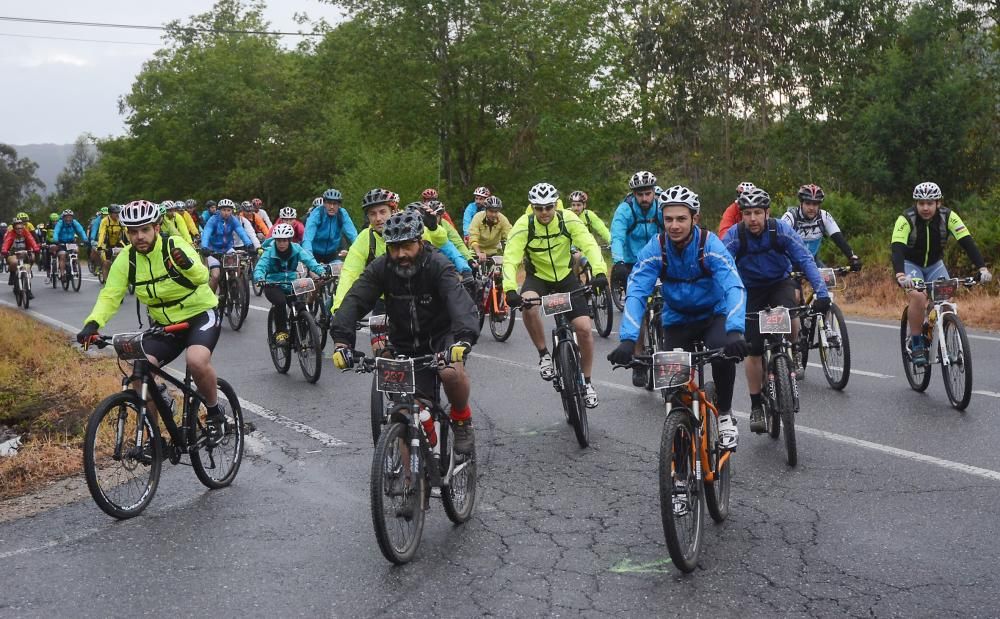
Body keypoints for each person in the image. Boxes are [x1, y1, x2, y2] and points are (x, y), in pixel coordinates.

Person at [607, 186, 747, 449]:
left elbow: (733, 285)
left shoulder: (710, 244)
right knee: (676, 394)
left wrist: (736, 330)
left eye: (681, 219)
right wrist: (628, 339)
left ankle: (726, 414)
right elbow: (637, 292)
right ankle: (680, 462)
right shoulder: (655, 248)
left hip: (712, 315)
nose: (674, 225)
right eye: (668, 219)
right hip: (677, 320)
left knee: (723, 353)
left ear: (695, 218)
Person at [330, 209, 479, 455]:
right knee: (403, 412)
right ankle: (411, 485)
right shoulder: (381, 267)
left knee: (451, 373)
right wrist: (342, 341)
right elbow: (355, 299)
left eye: (407, 246)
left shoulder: (438, 264)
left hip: (442, 336)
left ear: (420, 241)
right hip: (403, 342)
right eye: (394, 247)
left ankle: (462, 421)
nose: (401, 254)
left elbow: (458, 301)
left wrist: (463, 338)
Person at [76, 200, 229, 437]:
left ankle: (214, 411)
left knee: (196, 361)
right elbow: (110, 294)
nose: (139, 236)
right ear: (127, 233)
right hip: (165, 324)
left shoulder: (174, 245)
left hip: (199, 314)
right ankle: (155, 437)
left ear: (156, 227)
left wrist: (186, 264)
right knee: (140, 371)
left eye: (145, 229)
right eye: (133, 231)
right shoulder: (127, 259)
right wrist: (92, 324)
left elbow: (201, 277)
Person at [722, 187, 830, 433]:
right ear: (742, 215)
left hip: (779, 283)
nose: (752, 219)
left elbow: (804, 259)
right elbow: (720, 267)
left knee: (790, 313)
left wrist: (822, 293)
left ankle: (790, 355)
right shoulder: (734, 235)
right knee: (754, 350)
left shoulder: (780, 229)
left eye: (757, 213)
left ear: (767, 213)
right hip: (748, 290)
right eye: (747, 213)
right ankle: (756, 405)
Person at [503, 182, 608, 408]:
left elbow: (589, 244)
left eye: (548, 207)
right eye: (538, 208)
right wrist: (509, 289)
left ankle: (587, 382)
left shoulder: (568, 218)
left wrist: (599, 272)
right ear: (532, 207)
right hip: (538, 277)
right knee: (528, 305)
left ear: (555, 205)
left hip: (565, 276)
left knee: (584, 329)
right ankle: (544, 355)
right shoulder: (524, 225)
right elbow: (510, 257)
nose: (544, 213)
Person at [892, 181, 992, 366]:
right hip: (910, 265)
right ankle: (916, 343)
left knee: (946, 303)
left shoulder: (949, 217)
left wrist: (982, 268)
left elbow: (967, 242)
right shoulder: (906, 218)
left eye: (930, 203)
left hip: (935, 265)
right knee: (919, 298)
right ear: (916, 204)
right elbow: (897, 249)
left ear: (938, 203)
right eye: (921, 203)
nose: (925, 208)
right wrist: (900, 275)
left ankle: (935, 331)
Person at [331, 192, 463, 313]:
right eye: (372, 214)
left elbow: (441, 243)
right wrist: (340, 308)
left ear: (393, 211)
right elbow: (350, 272)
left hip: (417, 294)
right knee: (378, 336)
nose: (378, 218)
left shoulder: (409, 228)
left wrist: (434, 228)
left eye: (382, 212)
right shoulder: (365, 237)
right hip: (384, 298)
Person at [610, 171, 663, 386]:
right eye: (640, 194)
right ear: (633, 194)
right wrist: (619, 262)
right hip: (633, 263)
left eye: (648, 193)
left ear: (653, 193)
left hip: (660, 260)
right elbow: (617, 236)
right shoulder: (625, 210)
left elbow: (671, 227)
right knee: (638, 309)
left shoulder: (660, 208)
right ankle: (640, 359)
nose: (644, 198)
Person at [253, 223, 327, 344]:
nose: (282, 244)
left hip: (292, 283)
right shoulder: (269, 252)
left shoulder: (296, 249)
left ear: (289, 240)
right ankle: (281, 333)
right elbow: (260, 267)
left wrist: (321, 272)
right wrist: (260, 278)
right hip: (273, 284)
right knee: (281, 302)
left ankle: (301, 333)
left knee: (302, 307)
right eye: (279, 241)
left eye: (285, 241)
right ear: (275, 240)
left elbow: (310, 261)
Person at [781, 184, 862, 270]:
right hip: (790, 262)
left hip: (812, 260)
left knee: (827, 282)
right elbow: (777, 241)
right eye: (808, 203)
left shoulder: (824, 217)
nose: (811, 208)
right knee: (793, 284)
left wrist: (852, 257)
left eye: (815, 204)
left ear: (819, 205)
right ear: (801, 203)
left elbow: (839, 239)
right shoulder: (790, 217)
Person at [201, 199, 254, 293]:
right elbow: (206, 233)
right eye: (224, 210)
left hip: (227, 248)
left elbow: (241, 232)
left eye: (228, 210)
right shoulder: (213, 220)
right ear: (219, 210)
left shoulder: (233, 220)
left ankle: (234, 284)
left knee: (236, 265)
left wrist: (249, 244)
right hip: (212, 250)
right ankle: (210, 300)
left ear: (232, 211)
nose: (226, 213)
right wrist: (204, 247)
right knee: (215, 276)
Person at [303, 188, 359, 263]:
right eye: (329, 203)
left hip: (332, 254)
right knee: (312, 273)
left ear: (339, 205)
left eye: (335, 204)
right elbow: (307, 238)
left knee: (339, 270)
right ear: (324, 204)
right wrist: (308, 255)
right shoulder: (317, 214)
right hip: (314, 253)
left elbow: (353, 235)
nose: (332, 207)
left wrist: (360, 251)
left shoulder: (342, 214)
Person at [2, 218, 40, 298]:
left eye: (21, 228)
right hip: (13, 253)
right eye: (17, 228)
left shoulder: (26, 232)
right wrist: (4, 250)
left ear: (23, 227)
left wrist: (36, 248)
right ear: (14, 228)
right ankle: (13, 274)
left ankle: (28, 291)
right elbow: (6, 243)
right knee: (14, 263)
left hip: (25, 252)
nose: (19, 230)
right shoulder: (10, 234)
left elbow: (31, 240)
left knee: (31, 260)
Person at [468, 196, 511, 261]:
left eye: (496, 212)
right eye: (491, 211)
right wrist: (478, 253)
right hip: (476, 252)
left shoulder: (503, 219)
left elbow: (510, 236)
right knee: (471, 268)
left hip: (493, 253)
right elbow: (473, 238)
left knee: (502, 269)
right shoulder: (477, 217)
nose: (493, 214)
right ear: (486, 210)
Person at [50, 209, 88, 278]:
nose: (68, 219)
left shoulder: (74, 222)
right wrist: (55, 240)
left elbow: (81, 230)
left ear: (72, 217)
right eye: (66, 217)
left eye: (70, 217)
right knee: (62, 256)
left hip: (71, 242)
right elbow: (56, 232)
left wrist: (85, 239)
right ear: (63, 217)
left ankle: (74, 263)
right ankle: (62, 274)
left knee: (76, 251)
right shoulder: (60, 223)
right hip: (61, 242)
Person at [96, 204, 128, 282]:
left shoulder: (120, 220)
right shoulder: (105, 221)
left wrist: (132, 242)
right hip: (106, 242)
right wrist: (100, 246)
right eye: (115, 213)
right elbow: (102, 233)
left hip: (117, 241)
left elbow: (127, 231)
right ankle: (107, 281)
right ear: (110, 213)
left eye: (118, 213)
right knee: (106, 262)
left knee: (126, 254)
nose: (117, 214)